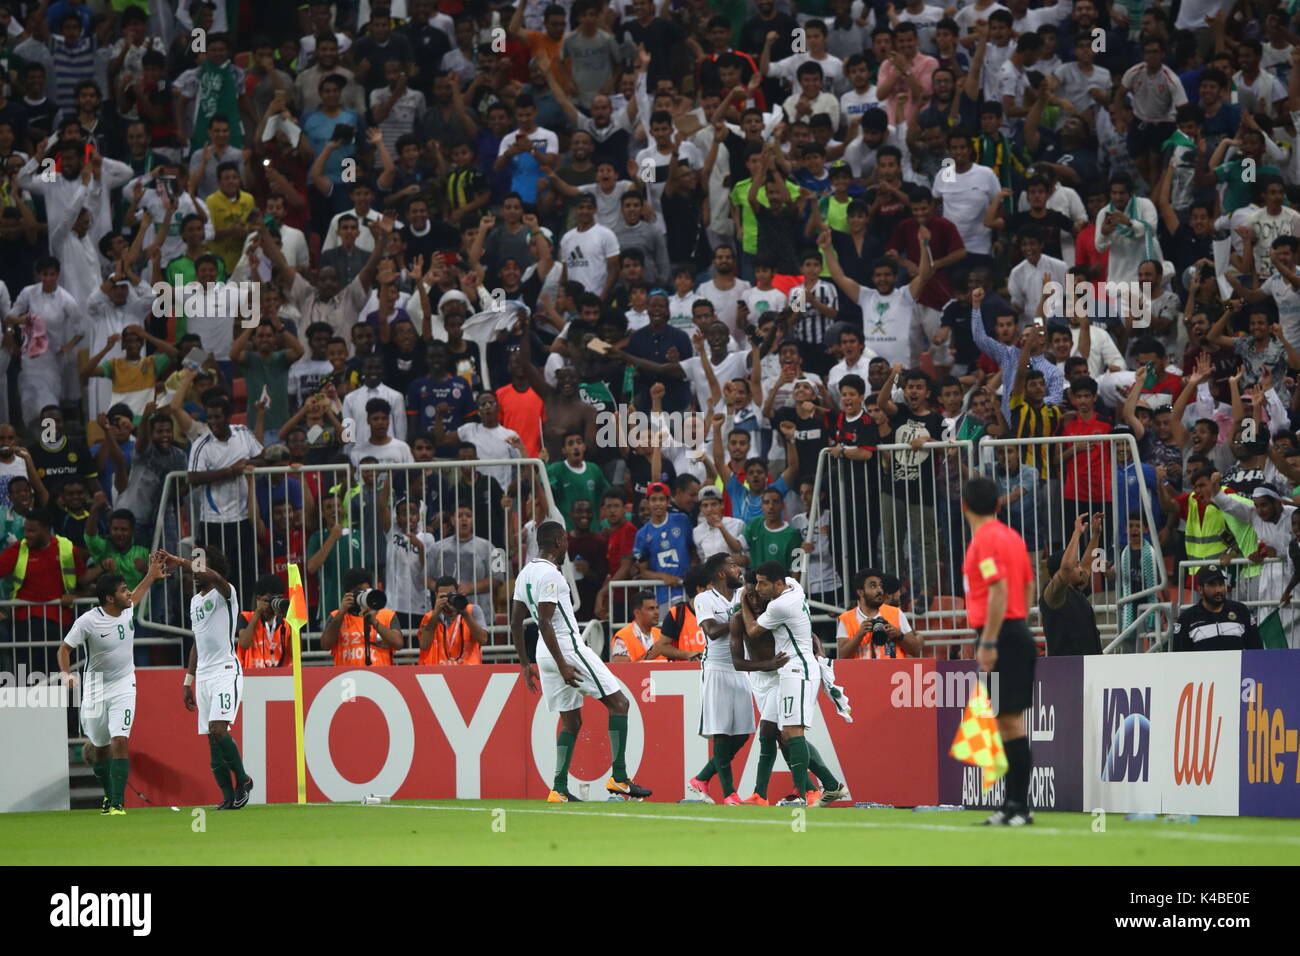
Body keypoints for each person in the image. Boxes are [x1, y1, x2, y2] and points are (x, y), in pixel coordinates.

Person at [510, 520, 651, 802]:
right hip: (567, 648)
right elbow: (547, 623)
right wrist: (563, 663)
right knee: (619, 703)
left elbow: (516, 621)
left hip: (543, 653)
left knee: (572, 721)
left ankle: (558, 788)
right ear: (560, 542)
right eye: (566, 541)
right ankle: (620, 779)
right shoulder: (552, 576)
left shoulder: (525, 573)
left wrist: (525, 664)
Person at [57, 555, 165, 815]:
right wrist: (65, 674)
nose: (128, 594)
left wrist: (150, 575)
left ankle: (117, 803)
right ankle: (109, 796)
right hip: (95, 689)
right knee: (100, 749)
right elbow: (64, 649)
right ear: (109, 598)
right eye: (123, 591)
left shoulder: (127, 609)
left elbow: (137, 595)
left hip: (124, 685)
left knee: (120, 740)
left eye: (127, 589)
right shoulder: (88, 621)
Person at [961, 475, 1036, 826]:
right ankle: (1015, 804)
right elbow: (1028, 584)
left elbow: (999, 590)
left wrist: (989, 641)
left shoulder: (984, 541)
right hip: (1015, 629)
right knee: (1007, 721)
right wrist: (1021, 624)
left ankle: (1018, 806)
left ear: (964, 506)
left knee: (1008, 721)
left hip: (1000, 634)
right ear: (998, 503)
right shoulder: (1012, 537)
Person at [164, 546, 255, 811]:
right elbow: (197, 642)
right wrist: (187, 681)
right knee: (210, 738)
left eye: (199, 564)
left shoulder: (226, 592)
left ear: (212, 567)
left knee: (219, 729)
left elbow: (213, 577)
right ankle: (228, 797)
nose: (194, 570)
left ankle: (244, 780)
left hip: (226, 670)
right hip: (203, 675)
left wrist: (179, 561)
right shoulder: (194, 602)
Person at [738, 560, 819, 806]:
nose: (759, 589)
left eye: (763, 584)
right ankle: (762, 794)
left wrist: (742, 601)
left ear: (778, 584)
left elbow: (751, 631)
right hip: (787, 671)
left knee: (792, 732)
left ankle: (804, 795)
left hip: (796, 669)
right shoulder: (794, 586)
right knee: (777, 731)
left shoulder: (779, 605)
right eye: (757, 583)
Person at [688, 554, 762, 805]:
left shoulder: (742, 593)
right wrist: (737, 619)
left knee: (742, 733)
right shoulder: (704, 599)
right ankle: (729, 793)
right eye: (732, 566)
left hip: (740, 667)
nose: (737, 568)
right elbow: (710, 630)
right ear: (721, 574)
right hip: (717, 668)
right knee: (721, 732)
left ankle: (702, 778)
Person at [1040, 514, 1104, 656]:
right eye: (1076, 565)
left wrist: (1096, 535)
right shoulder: (1052, 595)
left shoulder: (1075, 588)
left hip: (1089, 667)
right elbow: (1067, 567)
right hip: (1066, 671)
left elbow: (1087, 566)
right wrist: (1077, 533)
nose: (1080, 569)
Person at [321, 567, 405, 666]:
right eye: (359, 592)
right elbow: (326, 645)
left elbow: (398, 643)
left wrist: (374, 621)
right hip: (347, 678)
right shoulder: (336, 615)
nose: (363, 596)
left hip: (380, 677)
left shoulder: (387, 615)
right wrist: (341, 613)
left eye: (366, 592)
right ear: (348, 593)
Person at [1172, 565, 1263, 651]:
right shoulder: (1186, 619)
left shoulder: (1241, 611)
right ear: (1200, 589)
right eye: (1212, 585)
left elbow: (1257, 651)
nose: (1218, 590)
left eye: (1221, 584)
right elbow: (1179, 659)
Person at [836, 567, 921, 659]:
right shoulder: (847, 618)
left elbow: (915, 650)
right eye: (873, 586)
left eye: (880, 586)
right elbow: (842, 656)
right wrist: (860, 634)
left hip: (893, 672)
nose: (879, 590)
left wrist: (899, 635)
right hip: (860, 672)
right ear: (861, 592)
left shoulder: (895, 613)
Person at [418, 576, 488, 665]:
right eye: (443, 596)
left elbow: (483, 640)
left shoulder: (472, 610)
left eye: (451, 595)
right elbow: (424, 645)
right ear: (436, 595)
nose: (447, 600)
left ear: (457, 592)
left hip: (468, 671)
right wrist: (436, 614)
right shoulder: (430, 617)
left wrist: (464, 613)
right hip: (438, 672)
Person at [238, 574, 291, 669]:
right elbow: (243, 644)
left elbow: (296, 653)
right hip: (252, 676)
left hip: (281, 677)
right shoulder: (247, 617)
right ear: (258, 598)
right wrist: (257, 613)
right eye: (270, 599)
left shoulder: (286, 623)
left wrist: (290, 619)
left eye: (277, 598)